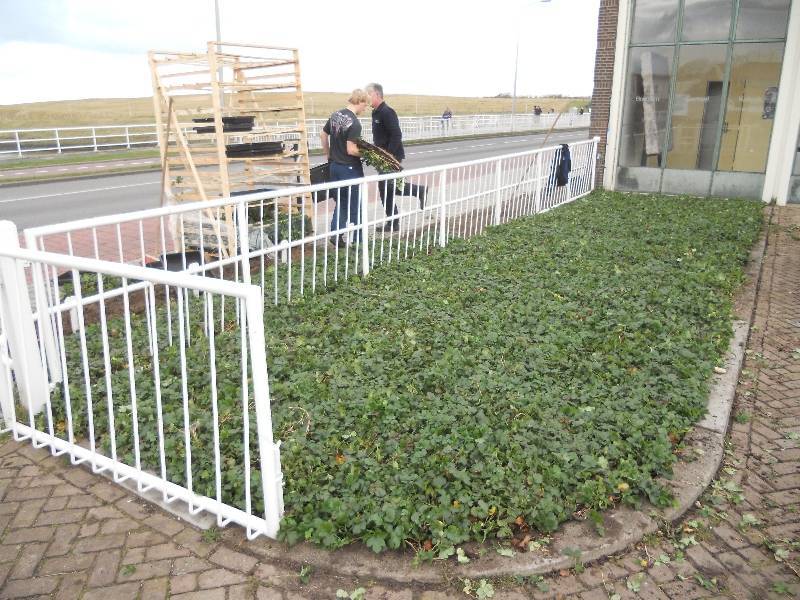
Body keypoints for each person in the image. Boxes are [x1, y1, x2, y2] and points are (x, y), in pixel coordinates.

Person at [365, 83, 427, 231]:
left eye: (369, 94)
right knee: (389, 189)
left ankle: (393, 222)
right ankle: (395, 219)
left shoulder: (387, 112)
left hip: (391, 158)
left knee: (386, 188)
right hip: (383, 158)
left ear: (377, 95)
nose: (367, 97)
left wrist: (389, 156)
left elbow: (397, 135)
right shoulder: (376, 112)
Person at [320, 89, 368, 247]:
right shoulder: (354, 123)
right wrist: (367, 153)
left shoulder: (336, 115)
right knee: (356, 205)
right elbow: (351, 150)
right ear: (360, 101)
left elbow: (323, 135)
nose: (365, 108)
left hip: (334, 167)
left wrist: (328, 154)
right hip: (349, 169)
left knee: (341, 202)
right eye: (365, 105)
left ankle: (336, 234)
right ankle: (359, 241)